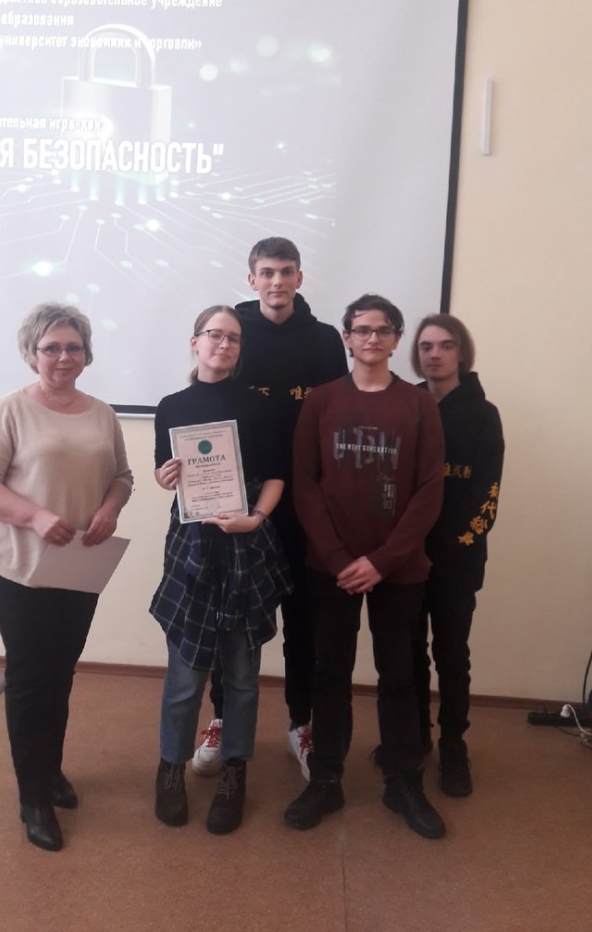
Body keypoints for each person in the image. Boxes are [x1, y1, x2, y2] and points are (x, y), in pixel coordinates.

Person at [0, 303, 133, 852]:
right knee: (31, 679)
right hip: (19, 571)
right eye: (52, 347)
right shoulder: (10, 410)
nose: (64, 356)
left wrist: (110, 508)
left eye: (73, 347)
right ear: (32, 353)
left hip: (78, 569)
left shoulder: (102, 413)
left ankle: (50, 769)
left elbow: (123, 477)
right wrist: (35, 516)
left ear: (87, 354)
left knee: (60, 674)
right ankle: (32, 796)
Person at [283, 294, 447, 839]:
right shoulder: (322, 401)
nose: (371, 338)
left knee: (399, 676)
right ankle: (325, 780)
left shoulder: (419, 405)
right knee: (329, 674)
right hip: (331, 568)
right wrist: (337, 559)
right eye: (361, 329)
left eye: (382, 330)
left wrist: (382, 560)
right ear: (347, 338)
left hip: (398, 568)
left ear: (396, 339)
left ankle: (404, 783)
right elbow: (305, 485)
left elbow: (429, 490)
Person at [192, 237, 348, 781]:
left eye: (286, 271)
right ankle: (222, 718)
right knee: (231, 617)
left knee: (304, 618)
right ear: (251, 278)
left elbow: (336, 418)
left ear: (299, 278)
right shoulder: (232, 333)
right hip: (241, 496)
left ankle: (301, 724)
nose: (276, 281)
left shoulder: (325, 340)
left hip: (305, 500)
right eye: (266, 272)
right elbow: (208, 402)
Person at [151, 305, 293, 835]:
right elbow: (164, 473)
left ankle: (235, 769)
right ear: (195, 342)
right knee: (185, 674)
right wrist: (166, 477)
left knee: (242, 676)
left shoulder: (258, 406)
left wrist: (255, 518)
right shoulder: (171, 406)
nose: (224, 344)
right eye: (215, 335)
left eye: (233, 338)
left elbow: (276, 476)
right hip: (191, 547)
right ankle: (171, 767)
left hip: (244, 546)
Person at [410, 313, 504, 796]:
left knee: (450, 654)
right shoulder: (405, 405)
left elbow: (486, 497)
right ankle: (415, 738)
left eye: (445, 346)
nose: (435, 354)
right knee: (409, 654)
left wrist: (445, 551)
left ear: (461, 353)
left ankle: (452, 746)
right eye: (426, 346)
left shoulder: (483, 414)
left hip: (456, 560)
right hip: (405, 557)